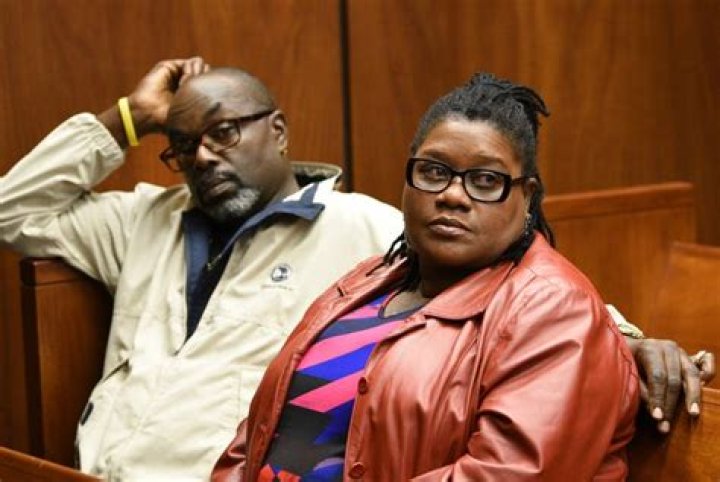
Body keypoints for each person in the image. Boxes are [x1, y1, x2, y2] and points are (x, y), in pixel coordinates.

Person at [0, 58, 713, 480]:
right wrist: (127, 117)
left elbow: (544, 308)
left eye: (224, 132)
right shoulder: (145, 221)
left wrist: (631, 343)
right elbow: (11, 212)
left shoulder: (359, 229)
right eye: (182, 145)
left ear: (278, 131)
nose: (205, 156)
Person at [211, 72, 639, 480]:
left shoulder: (555, 308)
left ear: (526, 197)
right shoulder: (367, 280)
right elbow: (256, 435)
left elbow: (511, 472)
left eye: (485, 180)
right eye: (434, 171)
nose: (452, 195)